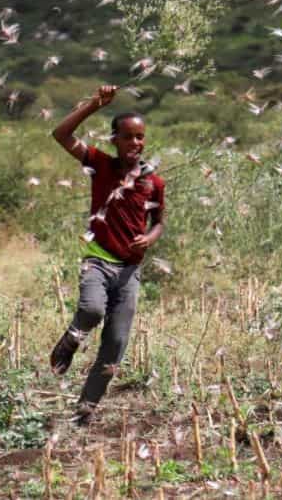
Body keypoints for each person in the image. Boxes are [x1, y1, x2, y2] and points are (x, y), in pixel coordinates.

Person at [49, 85, 165, 424]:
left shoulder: (153, 182)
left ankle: (83, 414)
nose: (135, 143)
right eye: (128, 137)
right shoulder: (100, 164)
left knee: (114, 347)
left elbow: (159, 223)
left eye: (140, 137)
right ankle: (70, 341)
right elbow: (61, 134)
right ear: (114, 140)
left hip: (129, 272)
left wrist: (149, 238)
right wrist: (95, 104)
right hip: (99, 261)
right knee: (91, 309)